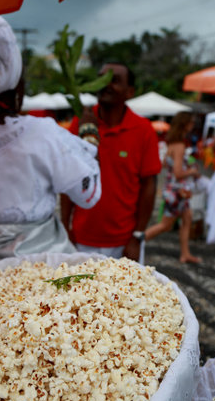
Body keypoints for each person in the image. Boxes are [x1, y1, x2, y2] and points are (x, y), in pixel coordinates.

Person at [0, 16, 101, 284]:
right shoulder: (42, 135)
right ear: (13, 75)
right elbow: (89, 195)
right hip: (31, 285)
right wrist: (89, 135)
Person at [61, 62, 162, 262]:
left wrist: (138, 236)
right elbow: (68, 178)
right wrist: (65, 226)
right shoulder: (80, 123)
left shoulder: (143, 130)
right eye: (101, 78)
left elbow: (149, 185)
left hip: (124, 242)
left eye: (114, 81)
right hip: (81, 239)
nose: (104, 85)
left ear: (130, 92)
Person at [144, 111, 202, 264]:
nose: (192, 125)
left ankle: (185, 253)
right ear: (185, 124)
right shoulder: (181, 146)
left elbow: (164, 165)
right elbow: (178, 173)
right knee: (165, 225)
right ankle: (137, 241)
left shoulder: (172, 144)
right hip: (178, 192)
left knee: (187, 219)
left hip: (174, 191)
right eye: (191, 122)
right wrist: (192, 171)